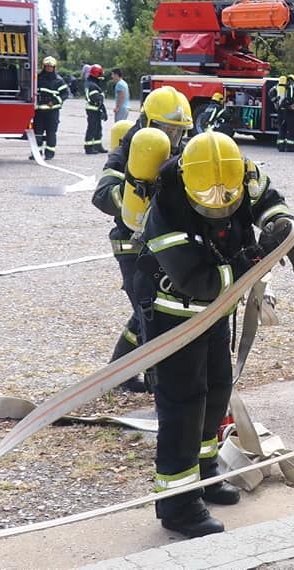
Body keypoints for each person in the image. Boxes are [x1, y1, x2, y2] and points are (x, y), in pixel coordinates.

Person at [133, 129, 294, 538]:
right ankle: (178, 506)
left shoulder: (242, 176)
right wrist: (253, 260)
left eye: (225, 199)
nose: (217, 208)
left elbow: (267, 201)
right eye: (205, 201)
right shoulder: (167, 207)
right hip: (175, 315)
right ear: (189, 182)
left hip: (216, 311)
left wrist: (282, 225)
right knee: (182, 405)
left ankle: (206, 473)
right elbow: (198, 280)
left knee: (216, 390)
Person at [92, 86, 194, 392]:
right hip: (130, 243)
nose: (170, 140)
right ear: (147, 124)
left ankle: (122, 373)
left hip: (164, 243)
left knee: (150, 311)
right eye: (164, 130)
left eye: (177, 133)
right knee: (148, 309)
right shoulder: (129, 149)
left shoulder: (183, 151)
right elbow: (101, 194)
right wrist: (131, 194)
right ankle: (149, 378)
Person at [32, 56, 69, 160]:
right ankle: (36, 153)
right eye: (47, 66)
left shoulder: (59, 81)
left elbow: (65, 94)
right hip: (39, 111)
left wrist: (54, 101)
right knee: (37, 133)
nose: (49, 68)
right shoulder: (37, 78)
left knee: (51, 133)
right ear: (43, 66)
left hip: (52, 111)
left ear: (54, 67)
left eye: (51, 67)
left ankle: (49, 153)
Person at [83, 64, 109, 154]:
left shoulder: (92, 83)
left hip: (95, 109)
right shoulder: (92, 85)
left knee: (98, 128)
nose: (101, 76)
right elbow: (96, 98)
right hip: (93, 109)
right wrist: (101, 97)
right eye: (100, 74)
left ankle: (98, 146)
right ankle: (89, 147)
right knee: (92, 128)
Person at [271, 74, 294, 152]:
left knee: (282, 129)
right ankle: (290, 147)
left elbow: (270, 93)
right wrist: (291, 106)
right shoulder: (293, 88)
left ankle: (280, 147)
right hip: (290, 112)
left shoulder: (277, 87)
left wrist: (275, 102)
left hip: (280, 111)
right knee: (291, 129)